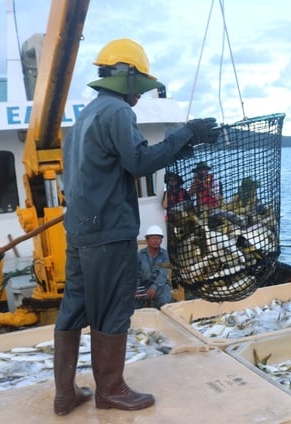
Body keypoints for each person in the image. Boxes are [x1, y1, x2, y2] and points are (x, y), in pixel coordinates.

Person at [55, 38, 218, 416]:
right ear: (127, 78)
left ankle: (65, 394)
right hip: (109, 230)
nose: (139, 98)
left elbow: (117, 162)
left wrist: (177, 148)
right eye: (139, 89)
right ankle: (110, 390)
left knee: (72, 309)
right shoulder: (116, 112)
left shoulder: (84, 117)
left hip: (79, 230)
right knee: (113, 309)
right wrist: (186, 133)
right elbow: (140, 162)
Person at [135, 225, 172, 309]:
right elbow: (136, 273)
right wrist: (136, 289)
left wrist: (154, 288)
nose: (156, 241)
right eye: (153, 238)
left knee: (164, 301)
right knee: (136, 305)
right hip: (144, 286)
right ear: (147, 240)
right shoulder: (140, 254)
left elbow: (163, 273)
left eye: (158, 238)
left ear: (161, 240)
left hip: (160, 285)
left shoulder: (164, 254)